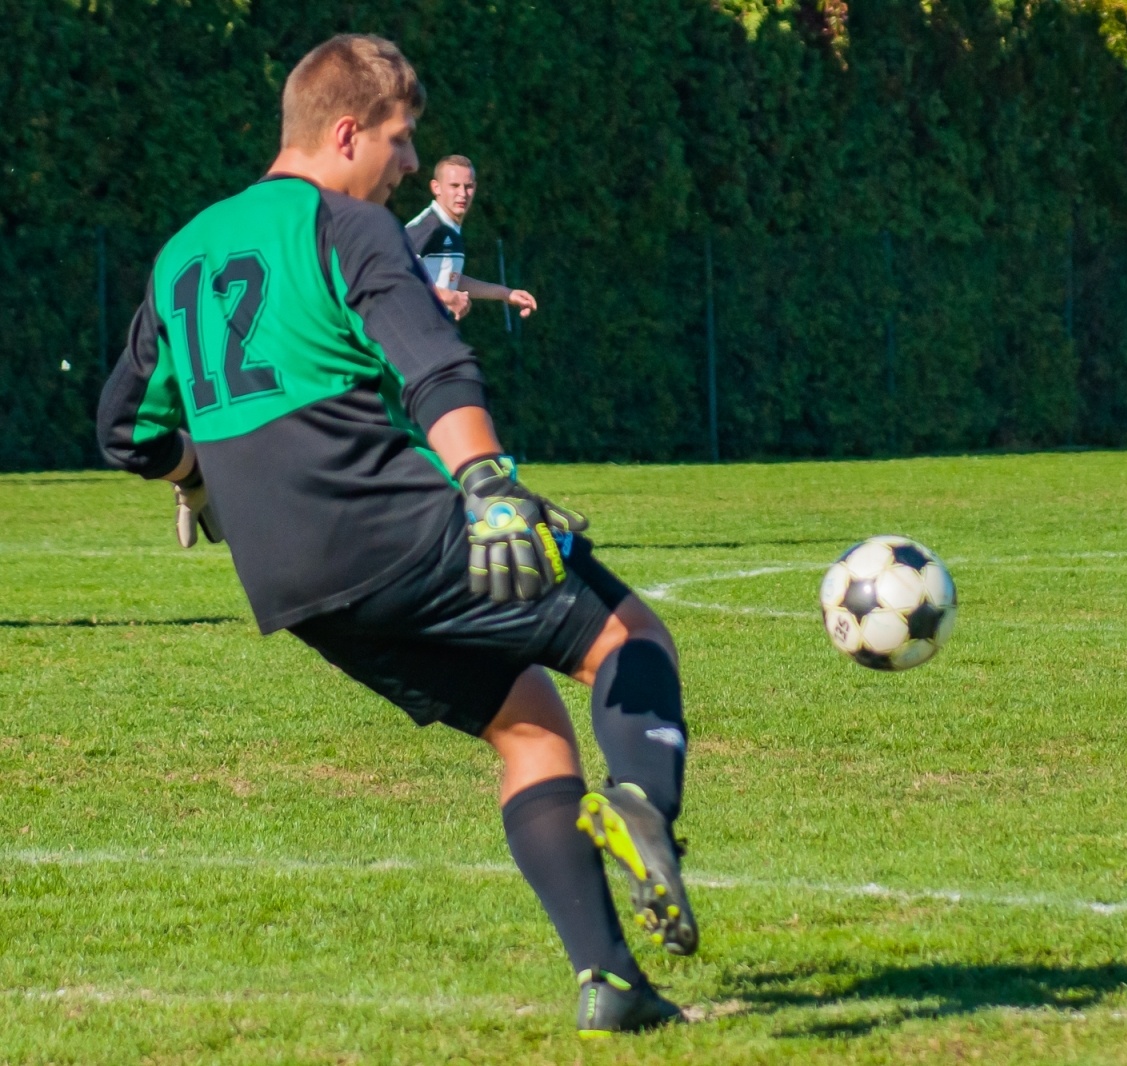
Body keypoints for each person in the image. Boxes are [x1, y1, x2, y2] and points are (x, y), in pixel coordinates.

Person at [96, 34, 693, 1037]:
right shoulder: (349, 225)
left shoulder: (183, 250)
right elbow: (434, 366)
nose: (411, 163)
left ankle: (611, 981)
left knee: (528, 724)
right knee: (632, 639)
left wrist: (199, 483)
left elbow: (125, 430)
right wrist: (489, 484)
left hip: (293, 584)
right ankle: (641, 799)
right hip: (388, 522)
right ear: (346, 134)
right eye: (401, 139)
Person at [406, 155, 536, 323]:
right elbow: (396, 275)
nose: (462, 193)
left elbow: (452, 279)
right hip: (406, 331)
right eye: (454, 186)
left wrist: (506, 294)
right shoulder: (428, 226)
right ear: (436, 187)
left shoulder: (451, 229)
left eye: (468, 186)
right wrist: (447, 296)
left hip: (431, 331)